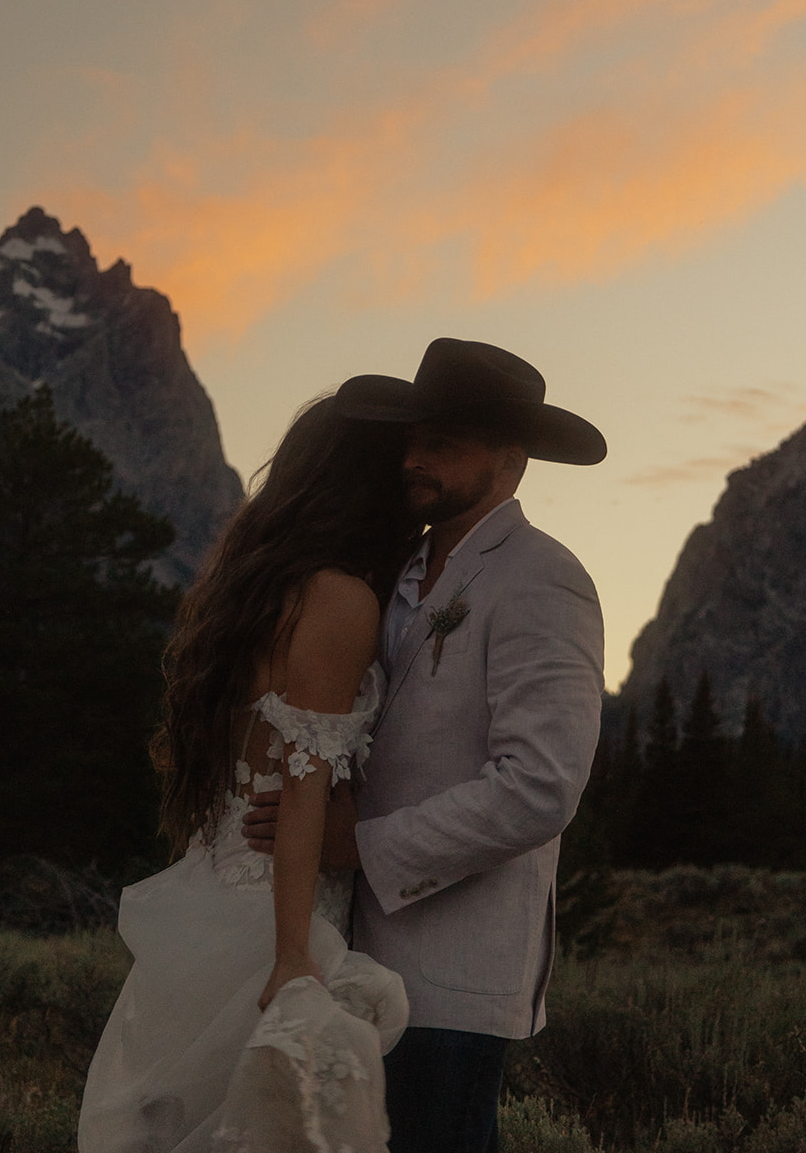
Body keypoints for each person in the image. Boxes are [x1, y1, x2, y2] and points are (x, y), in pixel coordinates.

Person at [245, 339, 606, 1153]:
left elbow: (539, 788)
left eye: (443, 441)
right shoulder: (394, 568)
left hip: (453, 978)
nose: (414, 456)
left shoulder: (542, 579)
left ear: (510, 463)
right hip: (350, 960)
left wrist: (360, 847)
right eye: (413, 437)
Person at [78, 395, 412, 1153]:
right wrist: (294, 953)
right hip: (275, 909)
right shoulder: (338, 597)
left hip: (216, 891)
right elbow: (300, 787)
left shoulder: (259, 590)